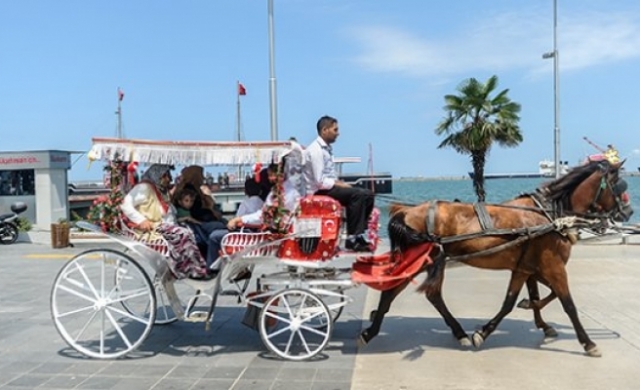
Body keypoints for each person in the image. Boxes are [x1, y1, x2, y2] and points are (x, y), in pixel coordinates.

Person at [120, 164, 209, 279]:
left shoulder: (160, 191)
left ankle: (195, 267)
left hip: (163, 226)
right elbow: (126, 205)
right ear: (157, 176)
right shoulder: (144, 188)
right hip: (152, 228)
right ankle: (187, 269)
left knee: (192, 232)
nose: (169, 179)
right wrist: (142, 220)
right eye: (166, 176)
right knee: (183, 234)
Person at [303, 115, 374, 252]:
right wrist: (339, 184)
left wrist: (339, 183)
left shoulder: (326, 149)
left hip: (327, 187)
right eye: (335, 130)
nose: (338, 133)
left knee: (368, 194)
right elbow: (319, 181)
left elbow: (329, 175)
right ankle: (351, 239)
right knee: (357, 195)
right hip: (319, 191)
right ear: (325, 130)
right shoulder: (316, 150)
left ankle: (358, 234)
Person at [172, 165, 228, 272]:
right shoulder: (189, 189)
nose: (202, 178)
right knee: (221, 226)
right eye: (201, 175)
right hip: (199, 221)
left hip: (200, 220)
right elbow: (196, 210)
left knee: (222, 224)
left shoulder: (193, 188)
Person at [227, 163, 301, 230]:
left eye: (271, 175)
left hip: (280, 233)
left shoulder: (281, 193)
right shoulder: (291, 190)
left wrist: (239, 219)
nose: (269, 178)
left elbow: (262, 216)